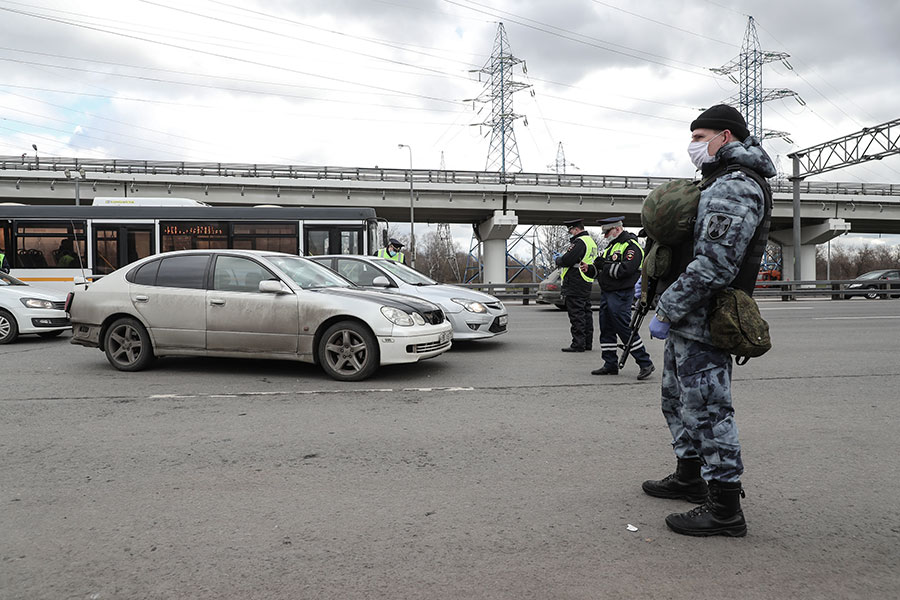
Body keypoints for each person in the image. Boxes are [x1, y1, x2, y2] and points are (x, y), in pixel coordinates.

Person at [643, 104, 775, 537]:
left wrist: (668, 307)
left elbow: (716, 266)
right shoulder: (716, 181)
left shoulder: (735, 187)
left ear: (726, 137)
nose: (693, 146)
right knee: (676, 402)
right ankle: (689, 476)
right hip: (689, 318)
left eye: (701, 138)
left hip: (705, 317)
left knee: (709, 412)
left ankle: (724, 508)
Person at [585, 216, 655, 380]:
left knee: (624, 328)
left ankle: (645, 363)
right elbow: (598, 269)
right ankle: (610, 364)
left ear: (617, 229)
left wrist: (604, 266)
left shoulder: (632, 247)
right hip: (607, 293)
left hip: (621, 293)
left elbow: (626, 270)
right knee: (606, 328)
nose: (605, 236)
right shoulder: (610, 247)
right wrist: (589, 269)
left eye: (607, 232)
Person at [555, 218, 598, 352]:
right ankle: (587, 342)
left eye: (571, 231)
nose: (570, 234)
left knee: (576, 314)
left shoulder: (579, 242)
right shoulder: (591, 242)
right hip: (586, 280)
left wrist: (558, 259)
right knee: (585, 313)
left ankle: (578, 343)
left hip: (575, 281)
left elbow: (568, 260)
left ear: (576, 229)